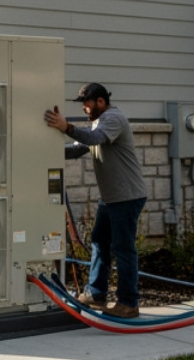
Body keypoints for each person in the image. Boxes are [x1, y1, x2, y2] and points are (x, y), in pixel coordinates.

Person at [44, 82, 146, 319]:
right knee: (100, 241)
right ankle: (96, 293)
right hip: (111, 198)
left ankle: (129, 303)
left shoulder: (113, 119)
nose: (84, 110)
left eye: (87, 105)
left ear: (101, 101)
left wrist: (66, 127)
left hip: (127, 197)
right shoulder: (98, 122)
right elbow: (80, 147)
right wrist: (45, 151)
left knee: (123, 248)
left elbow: (94, 137)